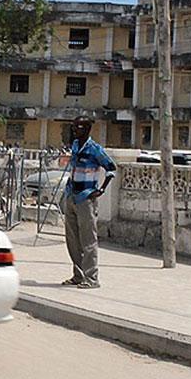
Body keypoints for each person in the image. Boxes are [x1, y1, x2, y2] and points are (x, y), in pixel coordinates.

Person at [61, 116, 117, 290]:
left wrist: (100, 189)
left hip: (86, 198)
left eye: (77, 128)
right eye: (73, 128)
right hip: (72, 196)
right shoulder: (76, 145)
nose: (74, 131)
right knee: (72, 239)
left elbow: (111, 168)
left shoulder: (95, 149)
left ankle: (91, 278)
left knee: (88, 239)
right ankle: (78, 275)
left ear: (86, 129)